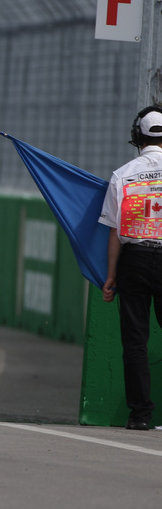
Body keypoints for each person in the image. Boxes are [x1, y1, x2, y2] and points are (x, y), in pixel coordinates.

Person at [100, 105, 162, 431]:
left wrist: (111, 276)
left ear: (137, 136)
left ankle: (140, 416)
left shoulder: (122, 174)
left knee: (135, 342)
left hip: (134, 258)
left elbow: (114, 230)